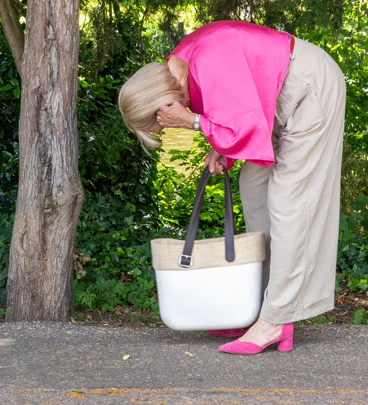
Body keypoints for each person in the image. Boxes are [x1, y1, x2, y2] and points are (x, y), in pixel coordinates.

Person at [118, 20, 346, 354]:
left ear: (162, 103)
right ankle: (259, 308)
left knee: (289, 203)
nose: (166, 128)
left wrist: (193, 122)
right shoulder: (181, 67)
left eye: (159, 123)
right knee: (254, 189)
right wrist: (220, 145)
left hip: (307, 90)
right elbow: (238, 107)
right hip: (274, 99)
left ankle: (275, 319)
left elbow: (243, 122)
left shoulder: (207, 61)